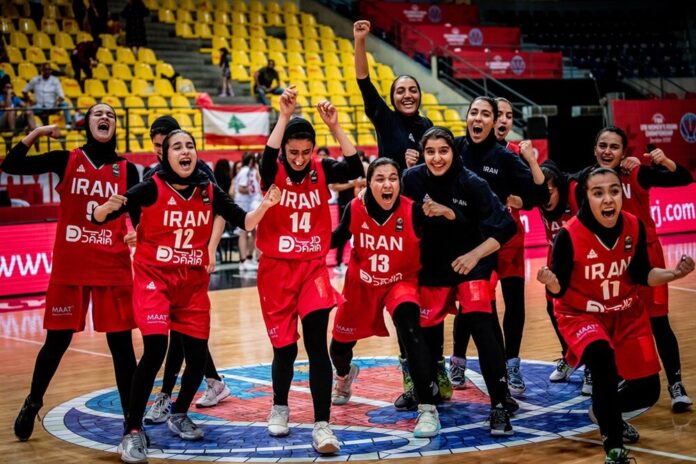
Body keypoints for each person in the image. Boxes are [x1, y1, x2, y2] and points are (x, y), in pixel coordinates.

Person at [93, 130, 281, 463]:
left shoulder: (209, 189)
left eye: (190, 146)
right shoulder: (151, 185)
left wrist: (265, 206)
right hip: (155, 278)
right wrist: (103, 210)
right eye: (177, 147)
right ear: (164, 155)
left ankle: (179, 412)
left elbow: (247, 222)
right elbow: (107, 213)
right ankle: (132, 431)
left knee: (196, 359)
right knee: (155, 348)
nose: (185, 151)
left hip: (192, 282)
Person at [537, 167, 694, 464]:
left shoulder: (634, 225)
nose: (608, 199)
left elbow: (642, 274)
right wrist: (551, 282)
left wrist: (674, 273)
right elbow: (558, 290)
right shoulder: (569, 235)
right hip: (581, 314)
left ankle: (603, 410)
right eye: (598, 193)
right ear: (585, 197)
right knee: (602, 362)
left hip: (625, 311)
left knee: (648, 389)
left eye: (614, 191)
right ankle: (614, 449)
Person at [3, 104, 140, 442]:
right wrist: (36, 133)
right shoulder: (66, 159)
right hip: (72, 263)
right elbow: (10, 165)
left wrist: (141, 232)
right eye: (98, 114)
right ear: (87, 124)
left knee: (121, 346)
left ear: (115, 125)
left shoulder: (128, 170)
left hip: (113, 264)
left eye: (110, 114)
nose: (105, 118)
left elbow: (139, 218)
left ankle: (131, 420)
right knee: (57, 341)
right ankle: (33, 400)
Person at [256, 87, 364, 454]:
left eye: (305, 151)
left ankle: (322, 426)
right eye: (293, 152)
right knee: (284, 349)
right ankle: (280, 406)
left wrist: (334, 127)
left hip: (313, 269)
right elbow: (266, 159)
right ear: (285, 150)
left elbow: (356, 168)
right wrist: (284, 117)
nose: (300, 158)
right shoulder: (273, 172)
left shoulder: (322, 169)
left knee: (317, 345)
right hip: (275, 272)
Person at [401, 126, 517, 435]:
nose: (437, 158)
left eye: (444, 151)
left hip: (471, 264)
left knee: (482, 327)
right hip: (432, 267)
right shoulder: (411, 179)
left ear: (454, 152)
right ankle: (426, 396)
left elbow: (506, 229)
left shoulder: (472, 183)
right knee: (423, 335)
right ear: (423, 154)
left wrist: (474, 254)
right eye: (430, 152)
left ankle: (499, 404)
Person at [575, 126, 694, 412]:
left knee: (658, 323)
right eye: (602, 145)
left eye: (614, 147)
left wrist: (663, 161)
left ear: (623, 152)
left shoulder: (635, 173)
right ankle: (616, 381)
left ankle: (676, 383)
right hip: (611, 262)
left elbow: (683, 177)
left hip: (646, 256)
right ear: (594, 149)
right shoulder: (587, 180)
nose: (607, 151)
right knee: (614, 324)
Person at [329, 158, 439, 438]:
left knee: (411, 331)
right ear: (368, 183)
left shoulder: (413, 211)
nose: (387, 184)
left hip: (400, 282)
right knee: (338, 349)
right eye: (379, 179)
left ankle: (427, 408)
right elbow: (337, 238)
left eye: (393, 178)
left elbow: (438, 245)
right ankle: (344, 375)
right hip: (361, 284)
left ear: (400, 182)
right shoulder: (354, 207)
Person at [448, 96, 547, 396]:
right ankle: (458, 360)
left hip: (508, 240)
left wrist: (522, 198)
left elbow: (538, 194)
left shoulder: (511, 155)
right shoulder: (456, 149)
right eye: (495, 113)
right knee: (473, 303)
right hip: (471, 241)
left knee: (513, 302)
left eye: (506, 116)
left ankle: (511, 365)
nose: (501, 120)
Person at [140, 116, 231, 425]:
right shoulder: (154, 174)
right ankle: (213, 381)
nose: (159, 151)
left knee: (183, 334)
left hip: (192, 262)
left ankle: (168, 396)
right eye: (156, 147)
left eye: (166, 145)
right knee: (178, 335)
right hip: (166, 266)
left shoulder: (200, 172)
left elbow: (222, 211)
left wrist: (210, 248)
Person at [353, 20, 432, 172]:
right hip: (390, 192)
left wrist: (418, 162)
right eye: (400, 91)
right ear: (392, 98)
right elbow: (363, 80)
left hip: (418, 194)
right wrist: (360, 40)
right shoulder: (385, 118)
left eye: (413, 90)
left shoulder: (427, 125)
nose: (407, 95)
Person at [536, 160, 583, 385]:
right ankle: (569, 355)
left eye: (549, 191)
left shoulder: (573, 190)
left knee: (583, 310)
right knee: (552, 307)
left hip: (580, 258)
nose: (544, 198)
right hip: (554, 256)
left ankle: (592, 367)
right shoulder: (536, 195)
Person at [234, 152, 263, 271]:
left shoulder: (250, 171)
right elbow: (242, 188)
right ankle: (246, 259)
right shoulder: (252, 171)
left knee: (254, 232)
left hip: (251, 202)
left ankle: (251, 258)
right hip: (252, 202)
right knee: (246, 231)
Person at [22, 63, 73, 129]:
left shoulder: (55, 80)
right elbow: (24, 91)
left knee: (65, 104)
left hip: (52, 106)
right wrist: (29, 100)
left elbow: (61, 96)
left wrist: (57, 102)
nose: (47, 71)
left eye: (49, 69)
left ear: (51, 71)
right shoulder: (35, 80)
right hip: (39, 107)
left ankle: (68, 124)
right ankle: (28, 126)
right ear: (41, 70)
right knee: (27, 110)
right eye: (45, 69)